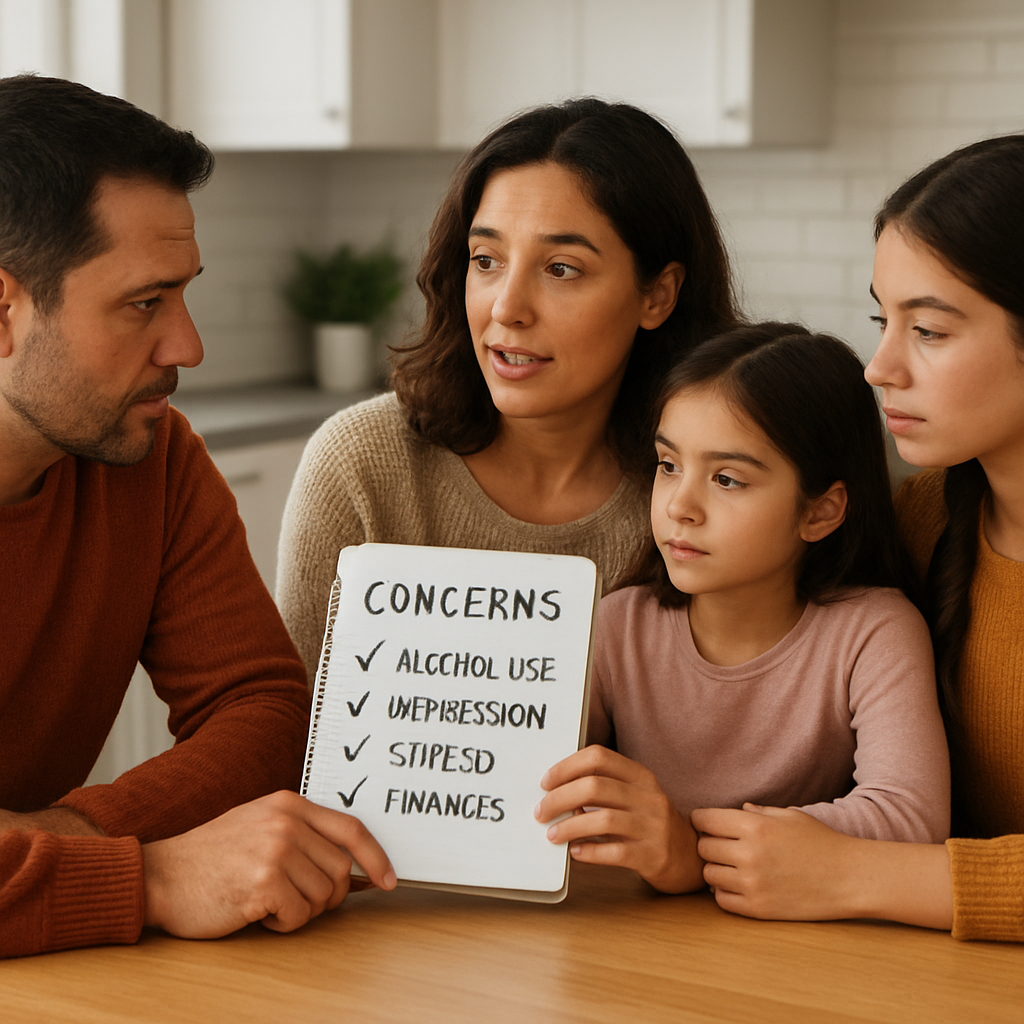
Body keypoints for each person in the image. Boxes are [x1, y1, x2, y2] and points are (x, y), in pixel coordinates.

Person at [0, 75, 393, 960]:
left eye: (183, 295)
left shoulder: (153, 460)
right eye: (144, 303)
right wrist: (156, 877)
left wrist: (55, 841)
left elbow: (262, 711)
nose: (189, 347)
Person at [277, 97, 739, 681]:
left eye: (561, 268)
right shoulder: (360, 464)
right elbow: (295, 730)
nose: (507, 307)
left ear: (657, 295)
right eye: (486, 259)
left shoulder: (717, 491)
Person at [692, 136, 1024, 942]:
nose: (879, 367)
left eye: (931, 332)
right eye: (884, 319)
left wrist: (854, 870)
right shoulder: (924, 518)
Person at [535, 323, 949, 893]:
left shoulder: (874, 631)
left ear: (821, 512)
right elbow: (533, 794)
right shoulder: (616, 626)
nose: (681, 505)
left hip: (809, 955)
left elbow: (910, 818)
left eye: (727, 479)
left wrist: (688, 847)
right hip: (641, 946)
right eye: (668, 465)